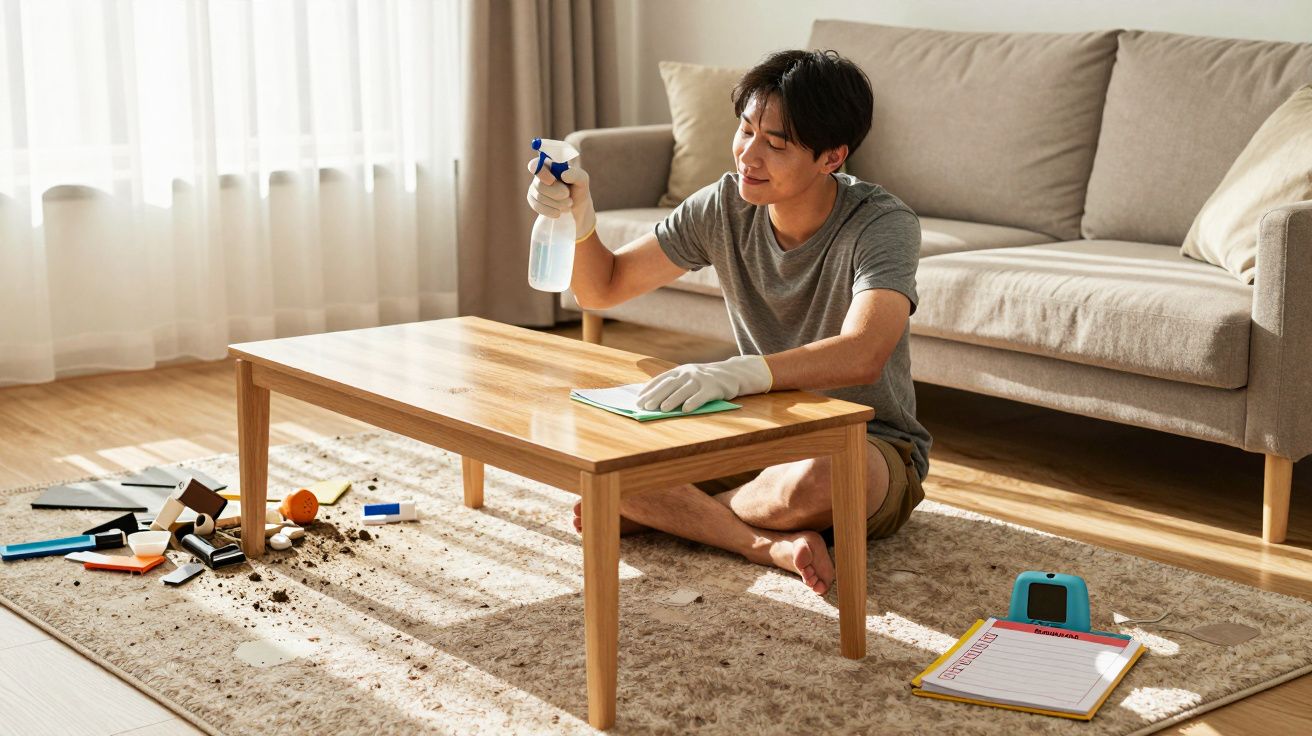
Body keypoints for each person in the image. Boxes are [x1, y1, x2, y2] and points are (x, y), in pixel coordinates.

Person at [525, 49, 930, 596]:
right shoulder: (723, 206)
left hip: (867, 441)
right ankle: (764, 544)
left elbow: (865, 351)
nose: (749, 155)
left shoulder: (882, 224)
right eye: (745, 130)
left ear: (832, 157)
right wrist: (579, 215)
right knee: (602, 459)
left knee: (821, 476)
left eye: (776, 144)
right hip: (751, 430)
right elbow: (604, 287)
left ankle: (684, 514)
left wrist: (734, 374)